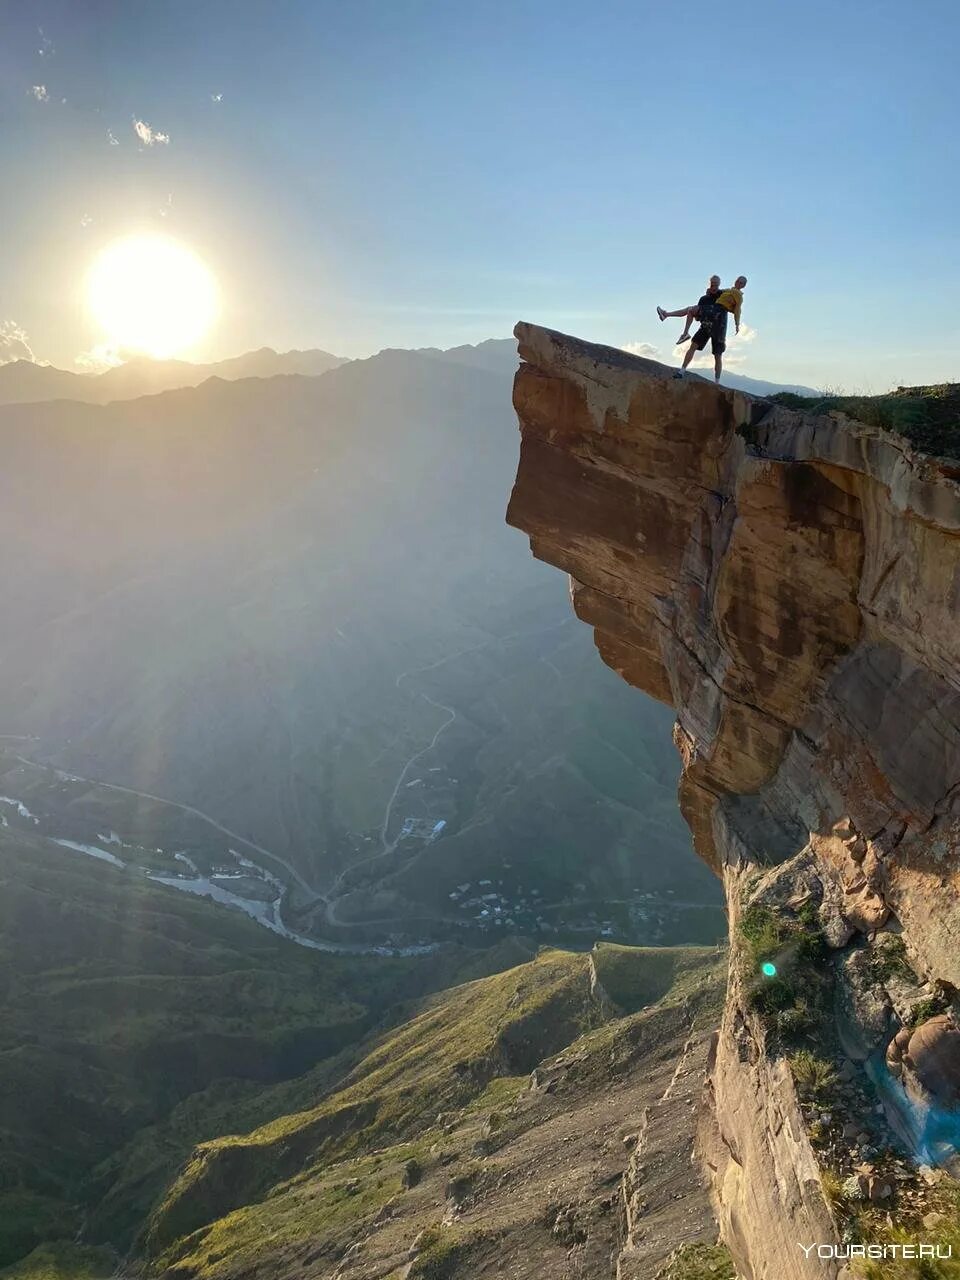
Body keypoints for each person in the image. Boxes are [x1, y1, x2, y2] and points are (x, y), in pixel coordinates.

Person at [674, 275, 748, 384]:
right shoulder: (727, 291)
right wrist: (710, 291)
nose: (738, 283)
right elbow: (717, 291)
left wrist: (737, 324)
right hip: (710, 316)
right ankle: (681, 371)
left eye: (741, 283)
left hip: (719, 317)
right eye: (738, 281)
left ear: (744, 285)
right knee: (693, 344)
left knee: (718, 354)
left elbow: (737, 310)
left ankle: (717, 382)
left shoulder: (739, 296)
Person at [657, 276, 721, 344]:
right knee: (689, 309)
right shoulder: (704, 298)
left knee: (690, 310)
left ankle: (684, 333)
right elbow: (697, 317)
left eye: (715, 284)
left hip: (712, 317)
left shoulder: (722, 294)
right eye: (712, 284)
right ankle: (666, 315)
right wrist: (707, 296)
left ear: (719, 284)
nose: (713, 286)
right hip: (704, 315)